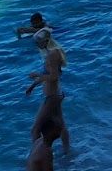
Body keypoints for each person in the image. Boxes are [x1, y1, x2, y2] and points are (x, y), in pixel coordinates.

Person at [26, 27, 72, 157]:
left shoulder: (52, 55)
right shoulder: (53, 52)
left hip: (52, 96)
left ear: (45, 41)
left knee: (35, 129)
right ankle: (68, 153)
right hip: (56, 94)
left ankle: (38, 156)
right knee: (61, 125)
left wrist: (37, 75)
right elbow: (49, 75)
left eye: (38, 42)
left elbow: (54, 76)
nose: (36, 45)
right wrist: (33, 85)